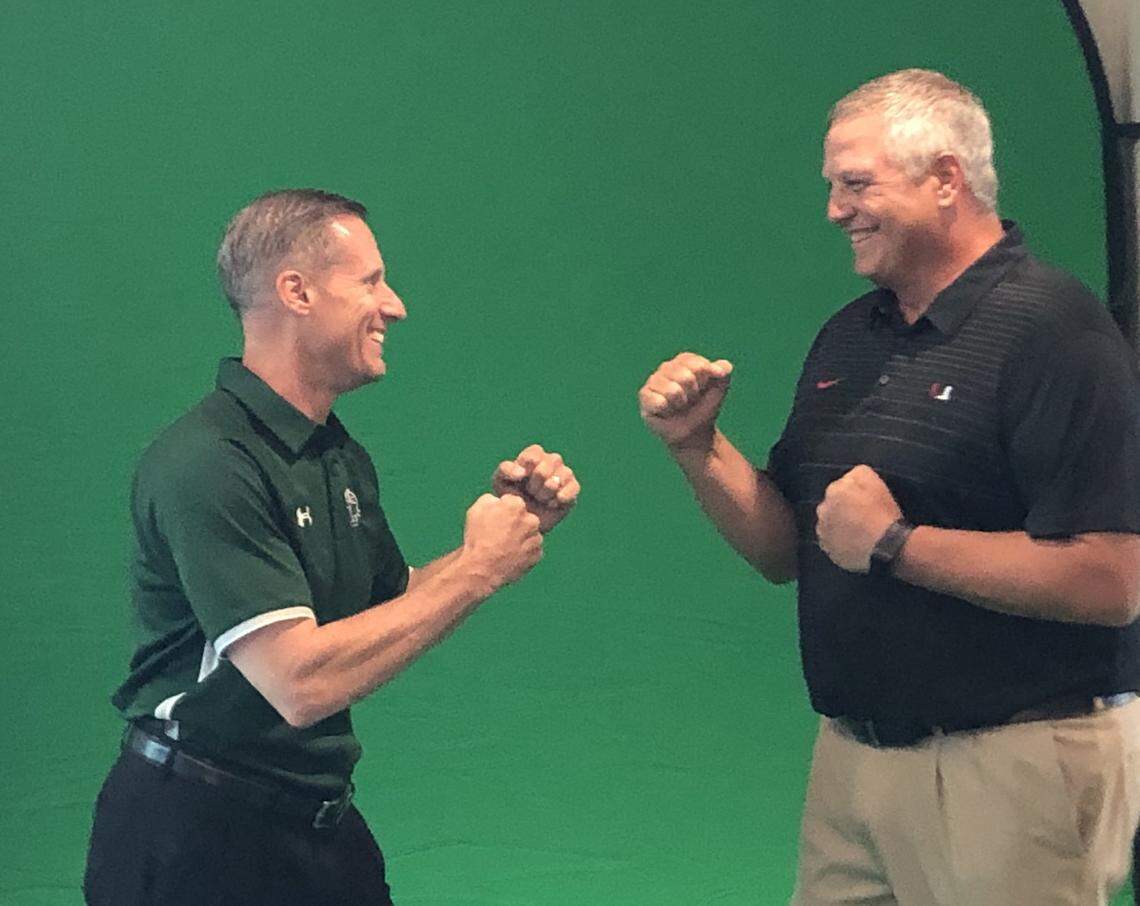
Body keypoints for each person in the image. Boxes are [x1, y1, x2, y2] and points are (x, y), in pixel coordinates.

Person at [638, 69, 1140, 904]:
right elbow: (791, 550)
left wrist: (899, 547)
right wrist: (699, 449)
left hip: (1015, 767)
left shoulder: (1056, 332)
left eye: (856, 182)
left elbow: (1114, 579)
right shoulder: (849, 337)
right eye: (833, 186)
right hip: (853, 764)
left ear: (945, 180)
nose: (836, 208)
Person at [84, 189, 581, 905]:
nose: (396, 306)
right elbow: (300, 683)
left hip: (316, 830)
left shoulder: (336, 457)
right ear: (297, 291)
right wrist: (476, 570)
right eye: (371, 282)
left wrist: (508, 525)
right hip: (193, 839)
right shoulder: (207, 463)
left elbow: (393, 606)